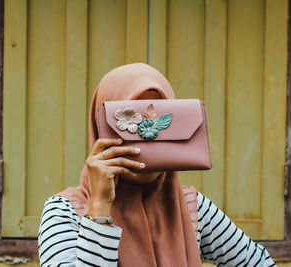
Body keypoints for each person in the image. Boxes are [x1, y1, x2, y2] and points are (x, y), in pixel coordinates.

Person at [38, 63, 276, 267]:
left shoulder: (191, 207)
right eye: (130, 121)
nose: (147, 136)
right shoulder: (65, 211)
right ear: (100, 127)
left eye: (163, 124)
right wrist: (100, 207)